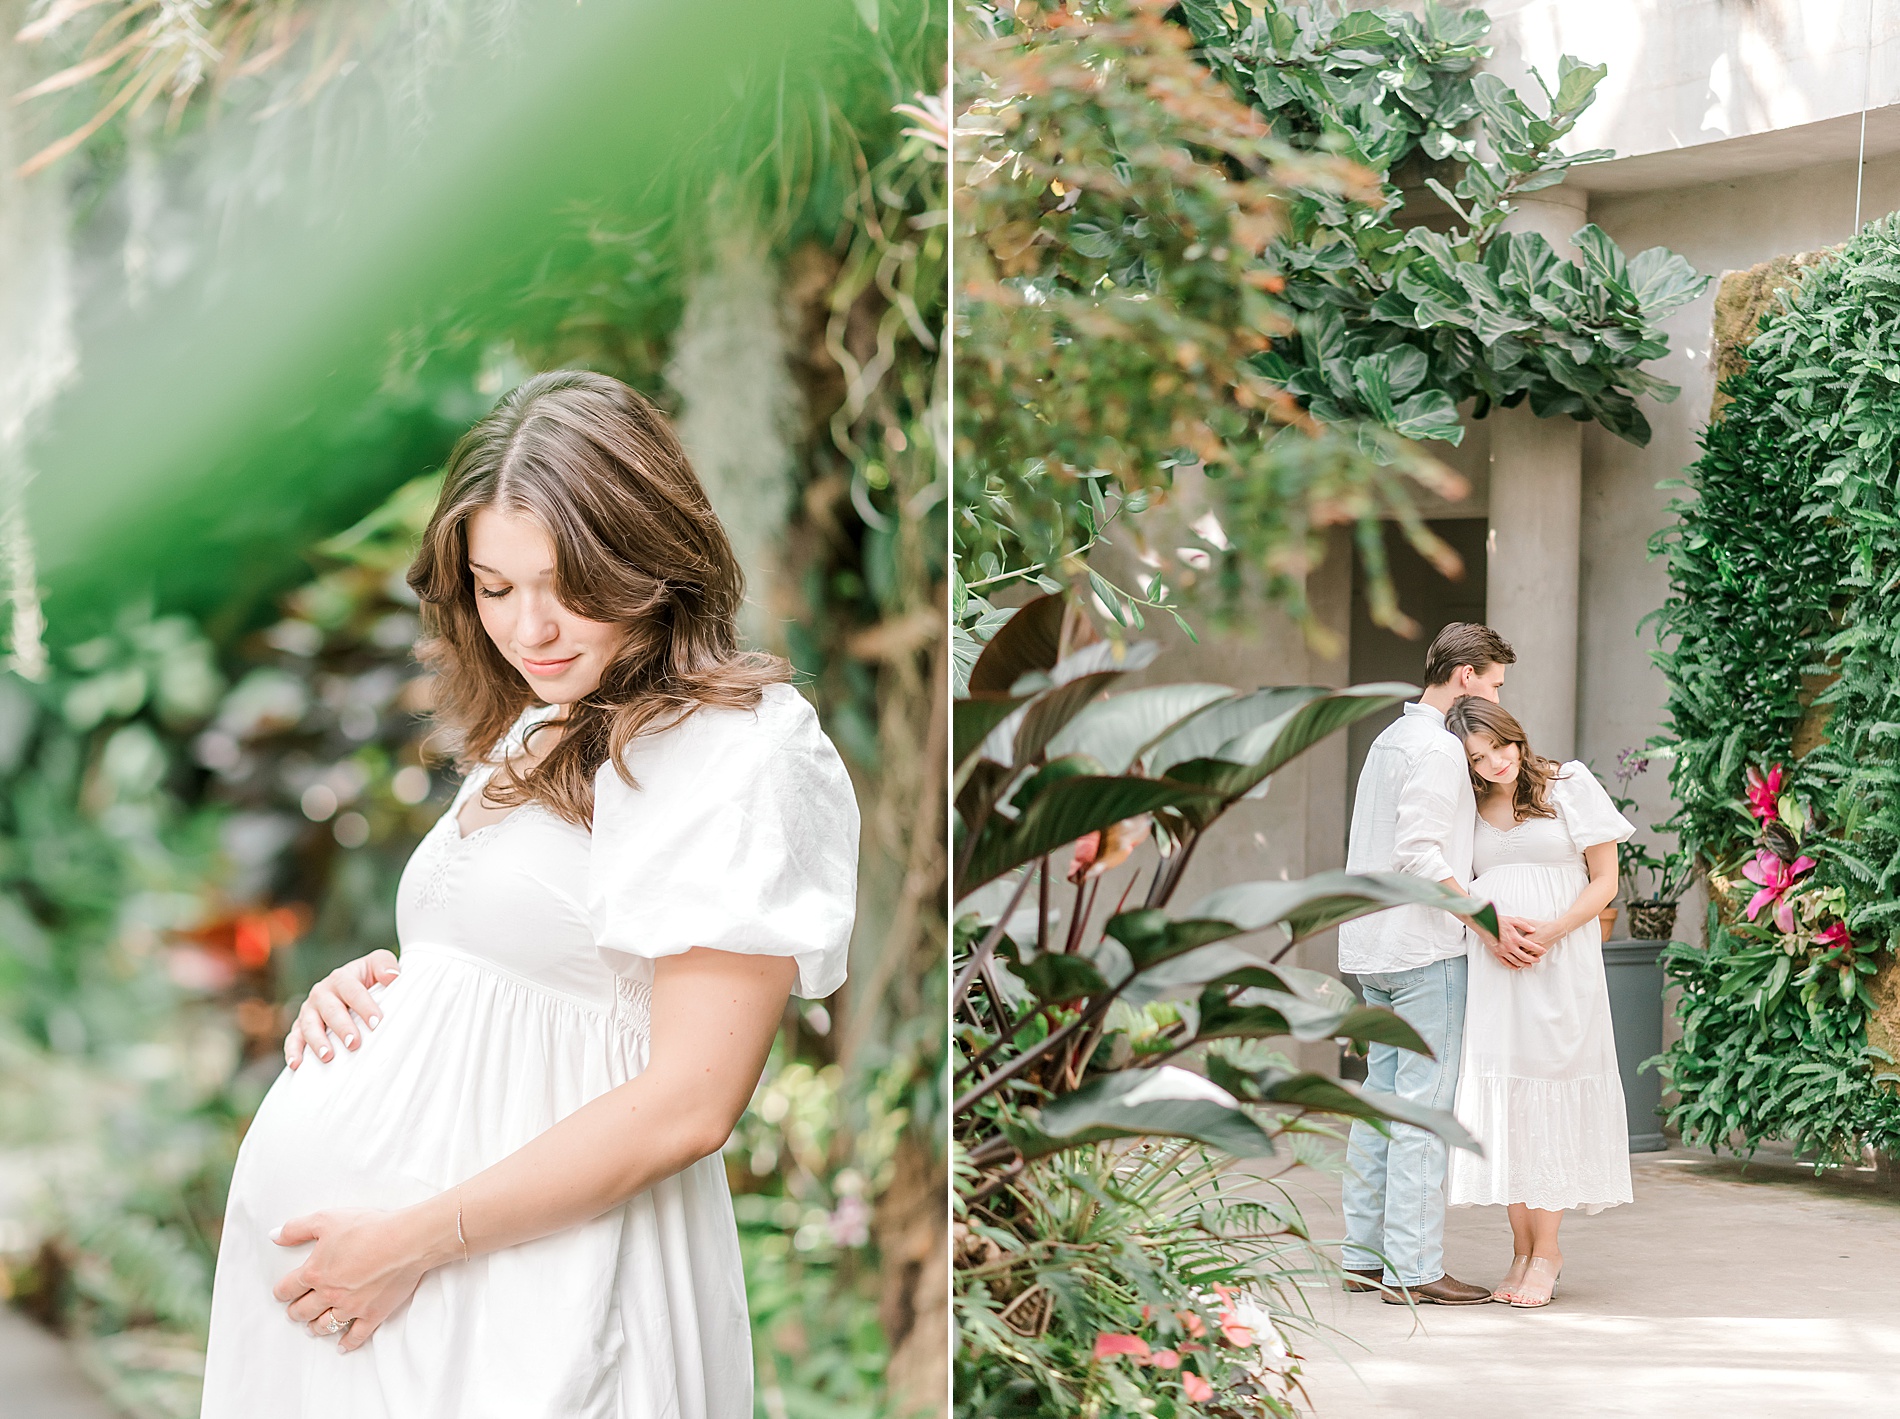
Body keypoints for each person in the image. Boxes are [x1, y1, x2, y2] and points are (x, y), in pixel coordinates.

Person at [199, 370, 860, 1418]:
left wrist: (407, 1242)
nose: (531, 628)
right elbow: (507, 976)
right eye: (495, 589)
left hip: (535, 1293)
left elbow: (690, 1103)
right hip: (404, 1292)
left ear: (648, 555)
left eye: (566, 584)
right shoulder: (540, 723)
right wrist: (381, 996)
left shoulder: (735, 749)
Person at [1336, 621, 1537, 1307]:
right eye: (1495, 681)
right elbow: (1418, 851)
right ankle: (1414, 1267)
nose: (1497, 694)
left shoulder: (1388, 740)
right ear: (1466, 675)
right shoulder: (1440, 749)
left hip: (1368, 947)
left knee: (1380, 1103)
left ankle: (1364, 1256)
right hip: (1422, 947)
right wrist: (1486, 919)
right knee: (1422, 1110)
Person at [1444, 696, 1634, 1309]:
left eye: (1500, 745)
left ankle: (1547, 1251)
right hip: (1496, 968)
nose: (1495, 762)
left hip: (1561, 962)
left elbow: (1605, 881)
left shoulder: (1568, 784)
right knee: (1509, 1099)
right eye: (1478, 757)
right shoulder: (1466, 808)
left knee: (1552, 1085)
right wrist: (1489, 932)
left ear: (1516, 737)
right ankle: (1520, 1249)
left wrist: (1551, 932)